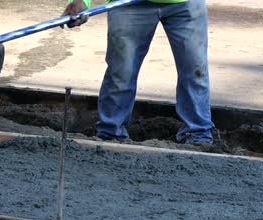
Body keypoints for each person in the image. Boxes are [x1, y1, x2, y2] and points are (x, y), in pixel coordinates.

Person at [62, 0, 213, 143]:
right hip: (128, 4)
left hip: (184, 4)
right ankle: (110, 135)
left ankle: (199, 136)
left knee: (195, 71)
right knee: (121, 72)